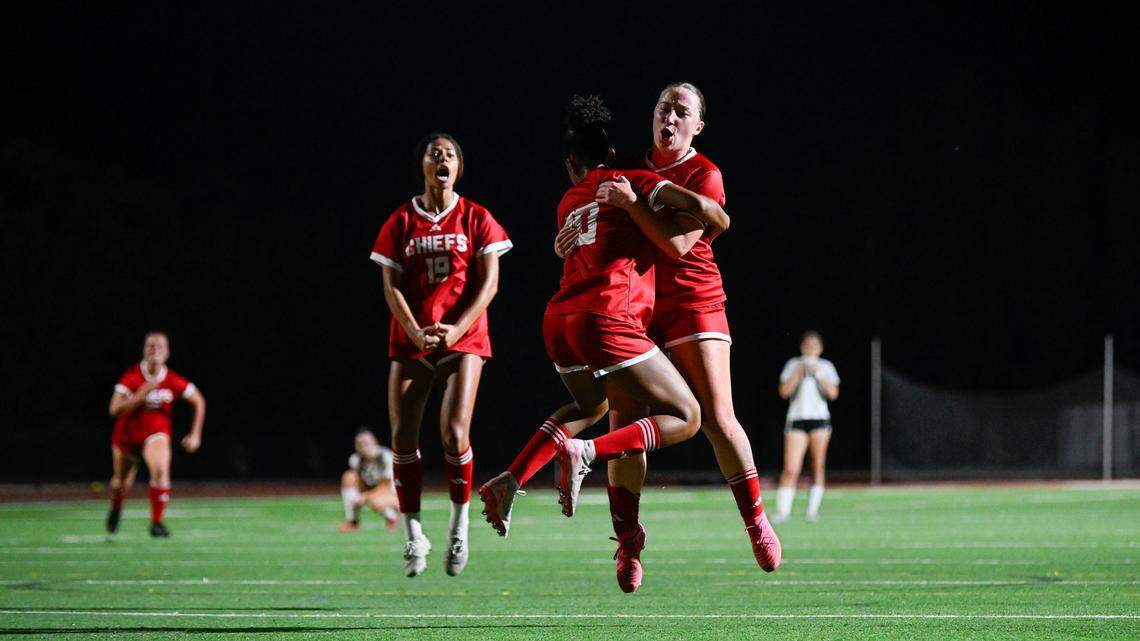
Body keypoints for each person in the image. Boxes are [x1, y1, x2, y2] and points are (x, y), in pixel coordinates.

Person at [481, 94, 730, 593]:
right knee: (688, 416)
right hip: (607, 317)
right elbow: (711, 216)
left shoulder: (568, 201)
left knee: (588, 403)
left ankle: (511, 478)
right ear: (611, 154)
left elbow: (579, 243)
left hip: (558, 321)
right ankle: (586, 454)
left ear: (570, 166)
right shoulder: (629, 181)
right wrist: (659, 198)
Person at [553, 82, 781, 572]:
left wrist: (633, 204)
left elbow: (678, 246)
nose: (670, 117)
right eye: (663, 108)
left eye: (682, 111)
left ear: (697, 125)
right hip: (636, 307)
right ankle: (627, 541)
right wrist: (568, 235)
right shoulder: (631, 166)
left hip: (692, 302)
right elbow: (590, 212)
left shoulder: (704, 173)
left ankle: (756, 521)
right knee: (626, 420)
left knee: (718, 418)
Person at [370, 133, 511, 578]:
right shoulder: (400, 221)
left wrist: (456, 328)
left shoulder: (477, 217)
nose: (442, 159)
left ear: (460, 168)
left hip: (462, 339)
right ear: (424, 167)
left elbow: (489, 283)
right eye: (435, 154)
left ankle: (458, 527)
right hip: (413, 338)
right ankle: (414, 536)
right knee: (402, 439)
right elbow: (390, 283)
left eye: (450, 154)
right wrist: (413, 328)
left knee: (453, 433)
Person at [106, 331, 206, 538]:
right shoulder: (133, 376)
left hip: (156, 432)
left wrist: (195, 434)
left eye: (160, 346)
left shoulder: (171, 379)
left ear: (167, 352)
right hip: (128, 434)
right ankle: (116, 507)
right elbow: (114, 409)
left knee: (160, 469)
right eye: (151, 346)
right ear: (144, 350)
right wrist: (139, 395)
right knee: (121, 482)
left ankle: (157, 522)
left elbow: (199, 400)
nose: (155, 350)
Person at [774, 330, 840, 523]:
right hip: (797, 420)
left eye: (814, 345)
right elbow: (784, 391)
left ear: (820, 348)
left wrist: (819, 374)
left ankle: (812, 511)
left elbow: (833, 393)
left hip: (819, 421)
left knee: (817, 466)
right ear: (802, 347)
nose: (810, 348)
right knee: (790, 468)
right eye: (807, 345)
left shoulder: (826, 366)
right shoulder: (793, 364)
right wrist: (801, 370)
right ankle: (783, 512)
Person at [339, 428, 399, 532]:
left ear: (375, 442)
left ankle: (392, 518)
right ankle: (352, 521)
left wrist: (365, 496)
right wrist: (359, 495)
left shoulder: (386, 457)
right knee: (348, 477)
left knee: (375, 500)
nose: (364, 447)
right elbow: (360, 482)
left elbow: (386, 485)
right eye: (360, 444)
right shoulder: (355, 459)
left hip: (391, 492)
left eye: (366, 443)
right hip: (371, 489)